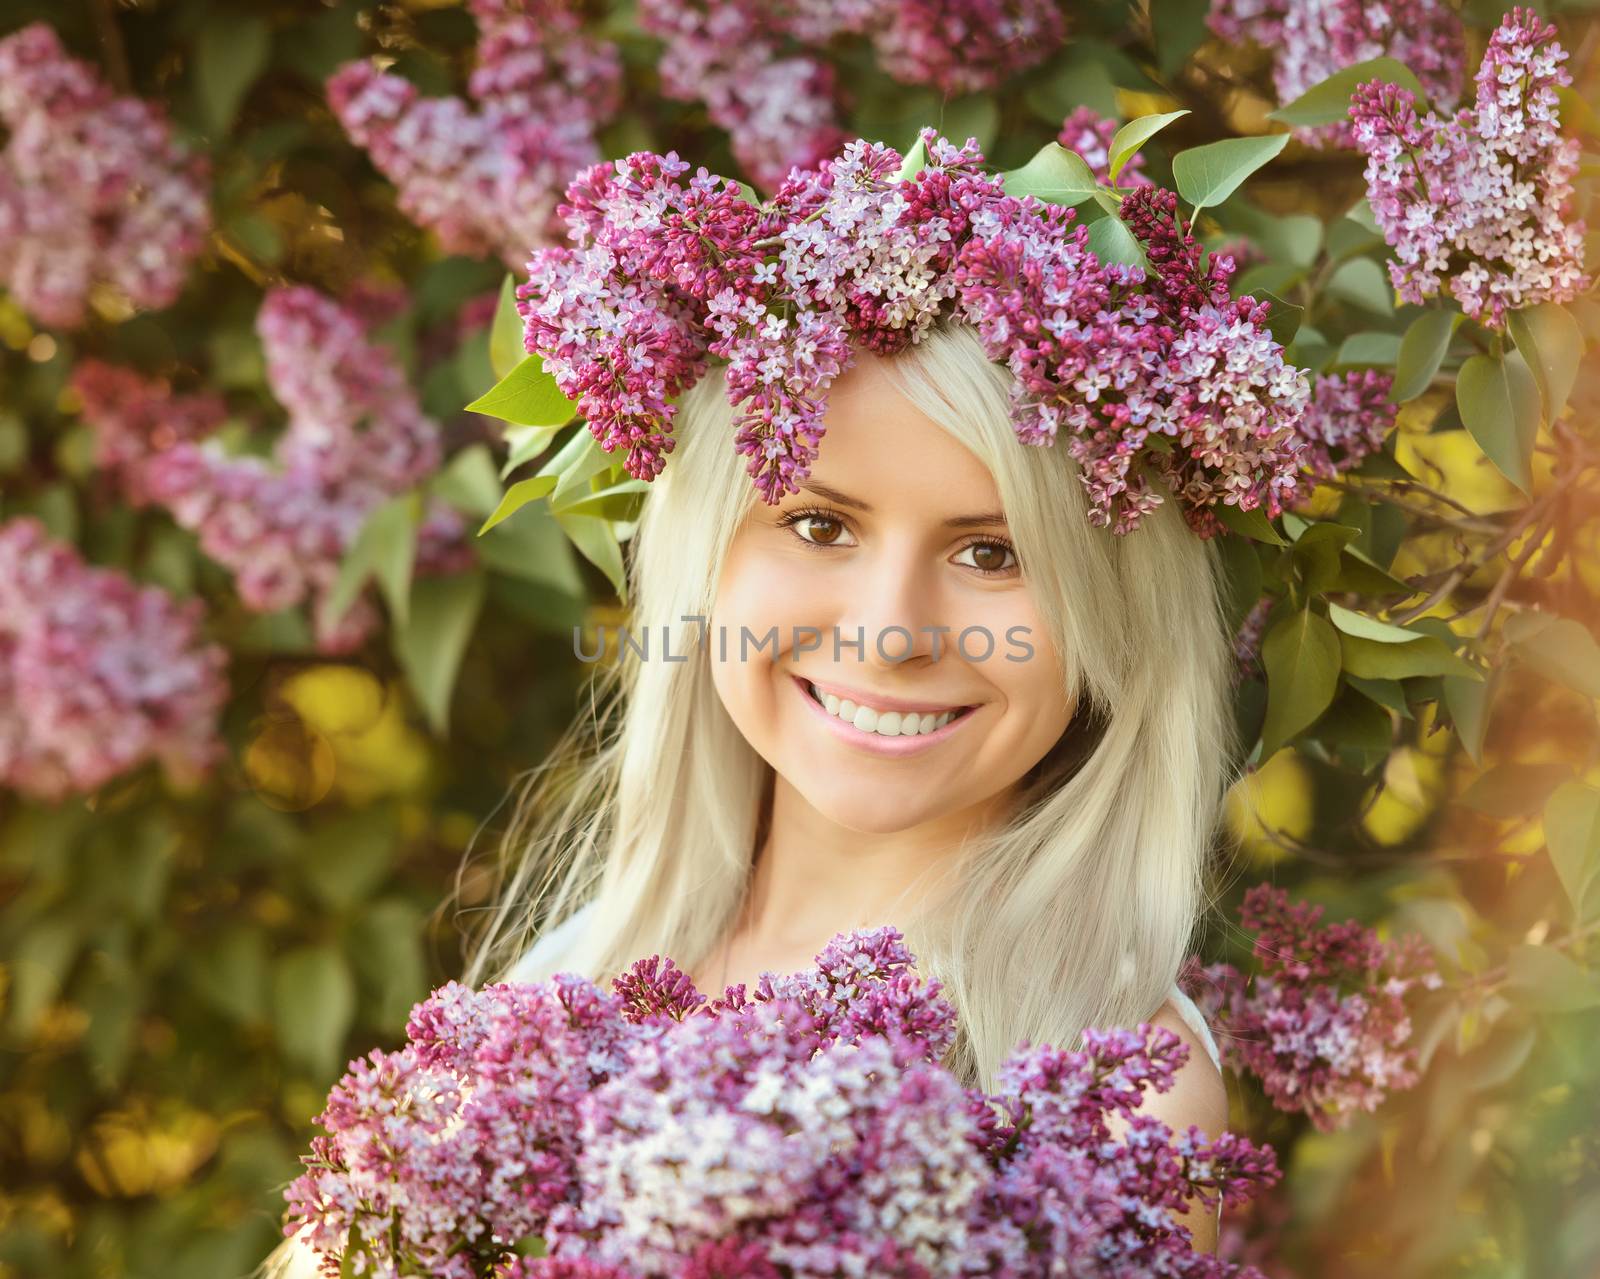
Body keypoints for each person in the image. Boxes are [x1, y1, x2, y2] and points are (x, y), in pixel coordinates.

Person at [264, 138, 1273, 1276]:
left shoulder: (1118, 1091)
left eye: (994, 552)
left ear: (1114, 613)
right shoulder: (572, 977)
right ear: (705, 559)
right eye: (819, 525)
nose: (892, 634)